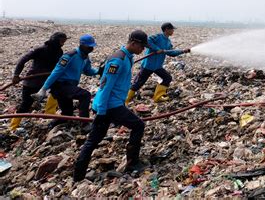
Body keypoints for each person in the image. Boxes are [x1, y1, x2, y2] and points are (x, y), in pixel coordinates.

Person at [73, 30, 148, 181]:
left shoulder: (127, 57)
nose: (143, 50)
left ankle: (78, 175)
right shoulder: (117, 60)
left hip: (113, 104)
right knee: (138, 126)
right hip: (108, 106)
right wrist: (101, 112)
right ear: (133, 43)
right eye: (142, 46)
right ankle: (132, 163)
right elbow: (105, 87)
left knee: (95, 139)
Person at [32, 34, 100, 131]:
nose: (91, 48)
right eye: (89, 46)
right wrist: (43, 89)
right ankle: (85, 124)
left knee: (67, 114)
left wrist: (99, 71)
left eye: (92, 46)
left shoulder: (85, 57)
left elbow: (87, 70)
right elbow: (56, 72)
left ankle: (49, 127)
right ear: (82, 45)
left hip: (69, 86)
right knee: (85, 95)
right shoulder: (70, 55)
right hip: (60, 86)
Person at [9, 32, 68, 131]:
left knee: (56, 93)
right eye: (62, 41)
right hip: (33, 81)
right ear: (55, 40)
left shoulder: (59, 52)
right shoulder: (40, 50)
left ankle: (49, 115)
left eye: (64, 41)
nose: (63, 43)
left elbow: (60, 66)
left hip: (48, 80)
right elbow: (22, 60)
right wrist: (16, 75)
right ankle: (13, 127)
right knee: (26, 105)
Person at [126, 22, 190, 104]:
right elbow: (147, 42)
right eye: (172, 29)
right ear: (166, 29)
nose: (173, 31)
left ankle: (158, 97)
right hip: (148, 65)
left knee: (167, 78)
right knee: (139, 83)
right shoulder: (157, 37)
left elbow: (171, 53)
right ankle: (126, 99)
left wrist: (182, 51)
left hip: (158, 66)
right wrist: (157, 49)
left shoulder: (168, 42)